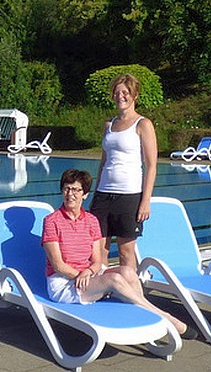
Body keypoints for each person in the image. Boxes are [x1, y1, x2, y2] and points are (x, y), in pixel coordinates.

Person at [42, 169, 197, 339]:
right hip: (64, 283)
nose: (70, 194)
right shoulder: (52, 221)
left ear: (85, 195)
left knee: (128, 272)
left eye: (76, 190)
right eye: (67, 189)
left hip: (87, 277)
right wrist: (82, 275)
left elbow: (96, 261)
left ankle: (143, 317)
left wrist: (89, 272)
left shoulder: (92, 221)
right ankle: (167, 318)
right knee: (114, 279)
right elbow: (58, 265)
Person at [90, 73, 157, 272]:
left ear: (135, 95)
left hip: (129, 196)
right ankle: (102, 289)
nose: (121, 96)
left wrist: (145, 200)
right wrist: (95, 194)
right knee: (98, 250)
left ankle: (128, 293)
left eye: (126, 92)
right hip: (103, 194)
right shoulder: (108, 125)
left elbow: (151, 165)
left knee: (125, 252)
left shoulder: (143, 124)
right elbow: (103, 162)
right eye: (117, 92)